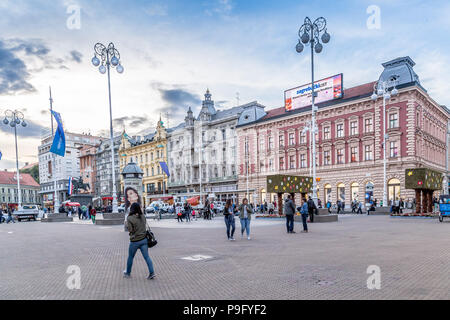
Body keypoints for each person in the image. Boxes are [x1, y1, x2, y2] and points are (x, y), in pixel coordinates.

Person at [124, 202, 155, 280]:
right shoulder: (142, 216)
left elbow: (130, 230)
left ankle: (128, 272)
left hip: (134, 241)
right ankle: (152, 273)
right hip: (144, 240)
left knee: (130, 257)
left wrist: (127, 225)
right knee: (147, 257)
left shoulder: (130, 218)